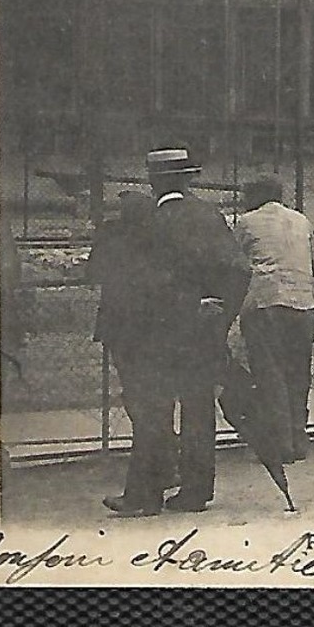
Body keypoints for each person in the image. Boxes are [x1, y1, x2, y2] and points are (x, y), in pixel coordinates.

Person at [103, 148, 250, 516]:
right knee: (199, 409)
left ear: (154, 180)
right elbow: (239, 270)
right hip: (201, 334)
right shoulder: (209, 215)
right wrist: (218, 317)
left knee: (154, 411)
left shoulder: (150, 222)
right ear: (188, 178)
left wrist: (180, 309)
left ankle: (144, 495)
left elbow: (146, 284)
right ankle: (196, 492)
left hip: (158, 333)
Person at [89, 191, 175, 500]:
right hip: (159, 330)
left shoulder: (114, 238)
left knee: (142, 407)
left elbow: (93, 272)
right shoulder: (160, 238)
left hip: (126, 333)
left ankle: (144, 490)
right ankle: (162, 471)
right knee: (156, 405)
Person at [234, 177, 314, 463]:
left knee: (270, 375)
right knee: (298, 373)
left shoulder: (246, 222)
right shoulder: (301, 221)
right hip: (302, 302)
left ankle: (281, 442)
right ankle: (298, 437)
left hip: (265, 302)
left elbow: (236, 262)